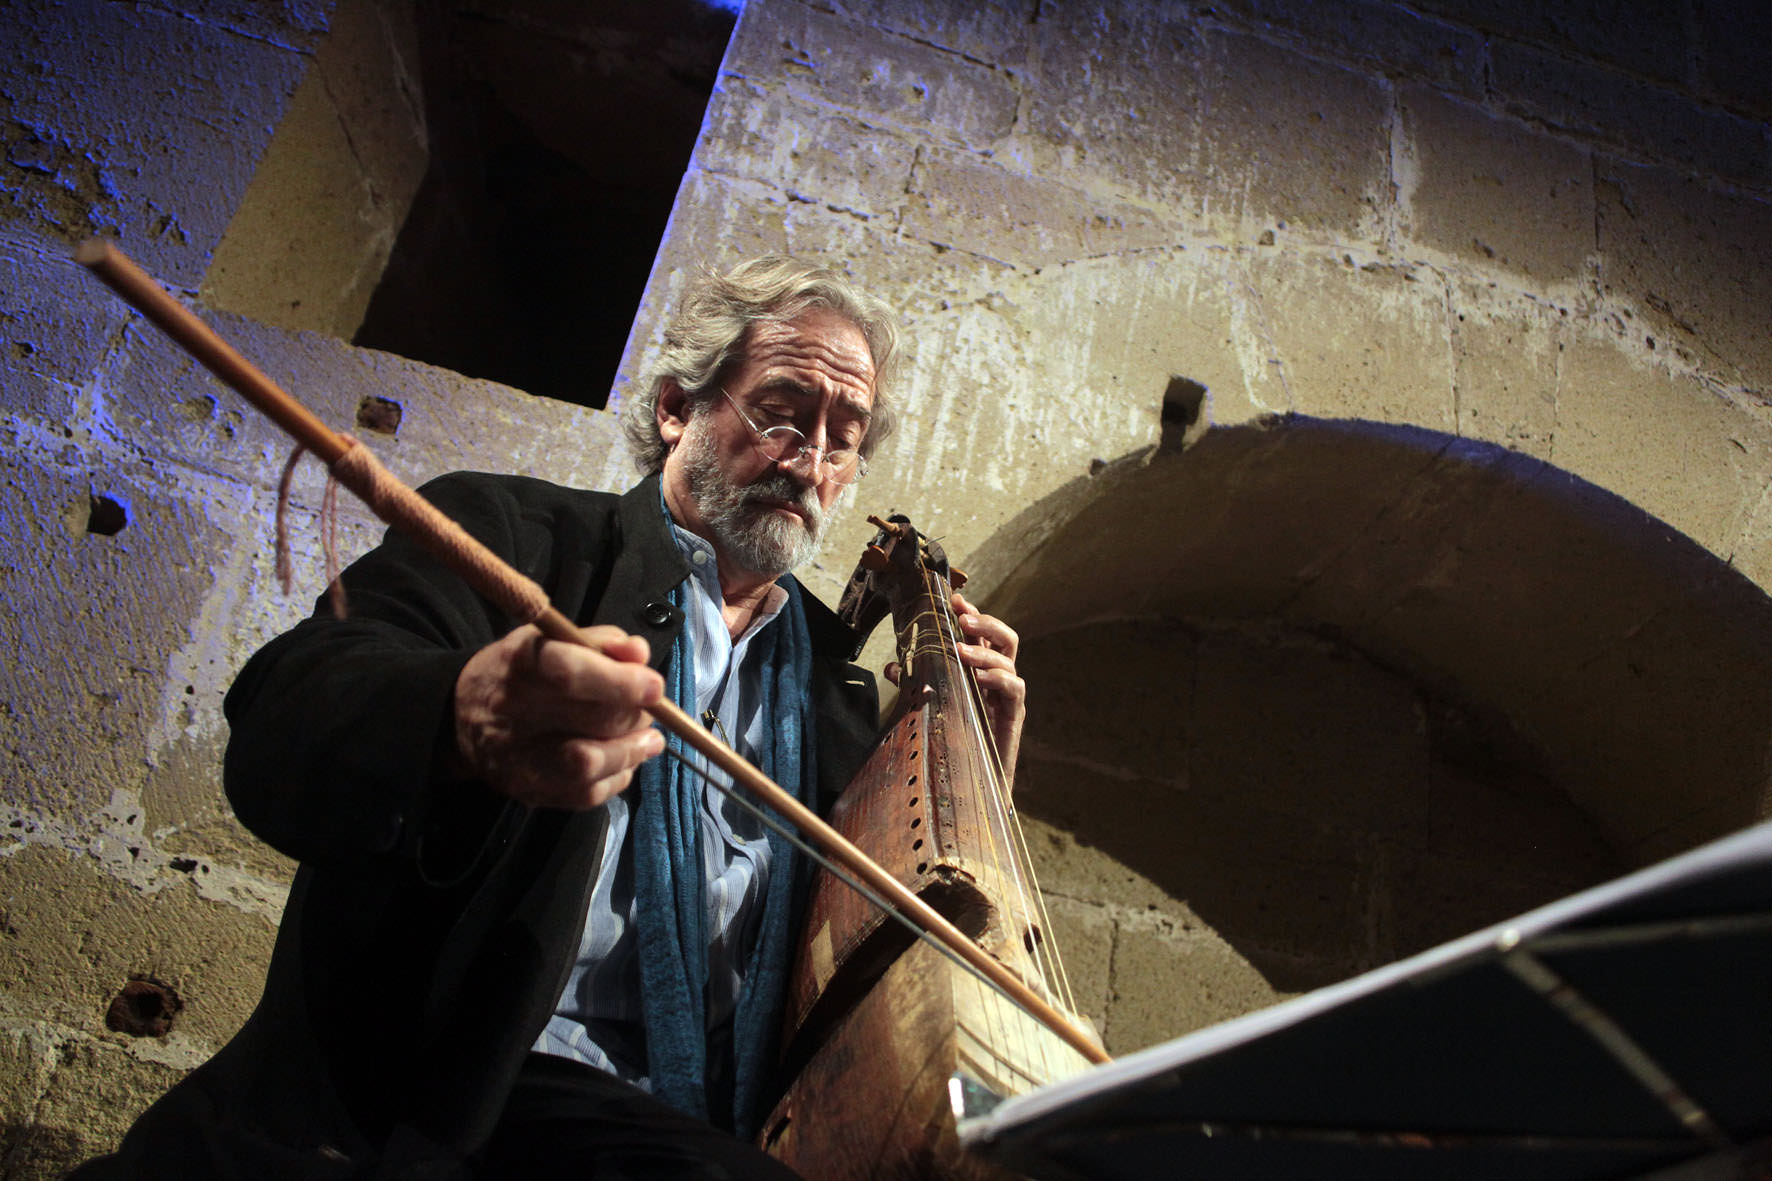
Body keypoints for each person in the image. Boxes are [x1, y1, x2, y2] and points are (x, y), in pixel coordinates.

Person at [80, 256, 1026, 1179]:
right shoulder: (520, 538)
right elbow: (287, 708)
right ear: (676, 410)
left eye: (843, 435)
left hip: (704, 1130)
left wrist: (978, 766)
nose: (810, 458)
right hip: (451, 1103)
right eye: (781, 412)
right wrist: (458, 713)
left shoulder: (832, 691)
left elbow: (867, 958)